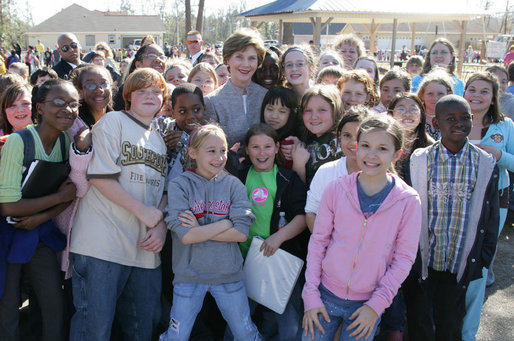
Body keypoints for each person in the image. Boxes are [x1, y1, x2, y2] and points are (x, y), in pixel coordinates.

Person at [69, 68, 169, 339]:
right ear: (128, 96)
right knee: (95, 330)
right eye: (141, 91)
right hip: (102, 245)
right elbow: (99, 177)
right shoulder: (113, 122)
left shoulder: (159, 140)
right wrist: (146, 213)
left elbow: (164, 192)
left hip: (144, 249)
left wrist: (160, 225)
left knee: (142, 328)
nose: (150, 96)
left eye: (156, 91)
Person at [302, 115, 422, 341]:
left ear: (397, 154)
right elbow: (318, 242)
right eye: (365, 145)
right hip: (324, 295)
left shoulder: (408, 201)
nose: (371, 155)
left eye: (382, 148)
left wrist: (376, 306)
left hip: (367, 303)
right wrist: (310, 295)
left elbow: (404, 258)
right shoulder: (336, 189)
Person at [405, 94, 499, 341]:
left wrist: (484, 256)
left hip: (460, 262)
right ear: (436, 124)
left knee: (451, 323)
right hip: (423, 261)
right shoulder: (418, 161)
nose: (459, 123)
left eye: (464, 118)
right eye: (450, 118)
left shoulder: (485, 163)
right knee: (419, 322)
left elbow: (490, 217)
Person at [159, 124, 260, 341]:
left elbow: (241, 233)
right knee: (177, 336)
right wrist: (225, 224)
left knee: (245, 333)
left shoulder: (234, 185)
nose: (219, 157)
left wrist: (199, 229)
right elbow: (186, 236)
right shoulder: (180, 185)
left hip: (228, 276)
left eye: (223, 150)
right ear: (193, 153)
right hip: (189, 276)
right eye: (211, 151)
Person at [0, 79, 79, 341]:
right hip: (7, 236)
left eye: (73, 104)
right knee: (8, 305)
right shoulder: (19, 141)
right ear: (40, 108)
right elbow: (8, 206)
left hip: (39, 232)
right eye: (58, 102)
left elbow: (71, 196)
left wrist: (39, 217)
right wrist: (57, 197)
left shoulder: (65, 144)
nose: (67, 109)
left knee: (53, 306)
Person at [233, 123, 308, 340]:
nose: (261, 153)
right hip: (243, 260)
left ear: (276, 148)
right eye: (255, 147)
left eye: (267, 146)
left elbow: (302, 216)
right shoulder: (239, 176)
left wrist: (278, 237)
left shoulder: (286, 178)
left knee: (289, 323)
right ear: (246, 149)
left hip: (278, 260)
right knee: (240, 319)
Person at [461, 72, 514, 341]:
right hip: (455, 201)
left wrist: (500, 155)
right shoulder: (452, 119)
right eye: (472, 89)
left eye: (484, 91)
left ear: (494, 97)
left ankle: (468, 332)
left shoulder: (506, 127)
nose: (477, 95)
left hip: (495, 201)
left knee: (479, 267)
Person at [305, 105, 371, 231]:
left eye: (359, 136)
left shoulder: (382, 175)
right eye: (347, 135)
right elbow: (311, 213)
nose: (353, 143)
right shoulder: (326, 171)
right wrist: (327, 246)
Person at [205, 28, 268, 147]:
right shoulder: (212, 101)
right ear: (227, 59)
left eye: (252, 58)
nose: (246, 64)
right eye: (239, 57)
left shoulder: (265, 96)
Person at [292, 84, 343, 185]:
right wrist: (298, 163)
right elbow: (299, 191)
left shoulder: (343, 143)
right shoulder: (306, 140)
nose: (314, 116)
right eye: (308, 110)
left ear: (335, 110)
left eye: (322, 110)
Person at [112, 43, 166, 110]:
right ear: (138, 65)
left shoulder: (169, 88)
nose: (158, 60)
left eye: (162, 57)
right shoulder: (126, 90)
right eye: (152, 56)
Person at [260, 86, 300, 169]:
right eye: (270, 109)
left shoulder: (289, 145)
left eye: (282, 111)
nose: (274, 116)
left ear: (291, 114)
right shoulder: (257, 135)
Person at [416, 69, 454, 140]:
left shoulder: (454, 119)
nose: (435, 98)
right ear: (422, 96)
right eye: (430, 94)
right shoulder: (416, 118)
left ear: (448, 94)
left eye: (440, 94)